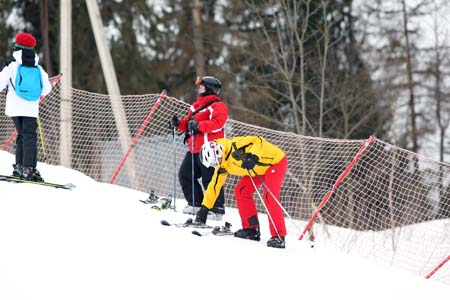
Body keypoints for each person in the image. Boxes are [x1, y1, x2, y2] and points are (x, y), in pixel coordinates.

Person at [195, 136, 288, 248]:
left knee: (269, 196)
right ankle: (251, 229)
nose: (217, 164)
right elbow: (214, 186)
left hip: (274, 162)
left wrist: (253, 157)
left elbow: (257, 140)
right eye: (214, 164)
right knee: (241, 191)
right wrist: (204, 208)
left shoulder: (235, 145)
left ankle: (279, 236)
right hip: (257, 169)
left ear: (218, 152)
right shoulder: (223, 165)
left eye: (216, 161)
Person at [171, 76, 228, 220]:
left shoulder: (217, 106)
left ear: (209, 88)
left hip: (211, 148)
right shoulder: (195, 106)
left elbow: (218, 123)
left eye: (202, 86)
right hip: (194, 148)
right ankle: (196, 203)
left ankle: (216, 209)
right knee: (185, 174)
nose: (199, 88)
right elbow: (189, 124)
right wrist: (179, 124)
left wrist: (199, 126)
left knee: (210, 179)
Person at [0, 32, 52, 181]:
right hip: (30, 108)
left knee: (21, 135)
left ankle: (19, 168)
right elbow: (46, 89)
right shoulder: (38, 68)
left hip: (14, 108)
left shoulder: (11, 64)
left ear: (17, 46)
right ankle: (28, 168)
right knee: (29, 136)